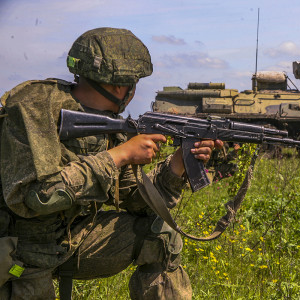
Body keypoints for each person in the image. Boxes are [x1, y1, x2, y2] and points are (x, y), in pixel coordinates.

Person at [0, 27, 221, 299]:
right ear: (120, 85)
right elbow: (36, 197)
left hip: (70, 239)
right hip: (18, 249)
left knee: (159, 235)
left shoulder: (109, 124)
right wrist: (120, 155)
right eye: (135, 83)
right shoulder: (34, 106)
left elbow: (135, 200)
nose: (135, 91)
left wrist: (178, 165)